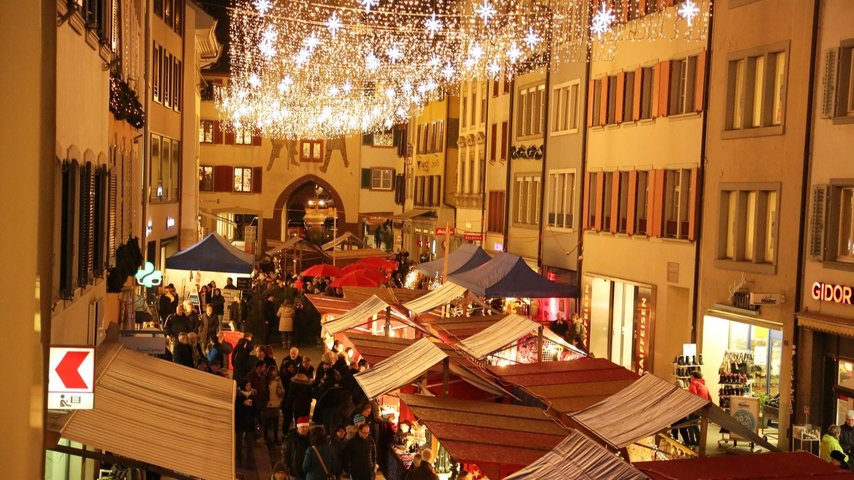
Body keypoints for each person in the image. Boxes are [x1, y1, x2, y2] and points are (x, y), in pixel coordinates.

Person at [235, 379, 258, 469]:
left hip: (250, 422)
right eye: (247, 385)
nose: (249, 387)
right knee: (239, 441)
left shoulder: (253, 395)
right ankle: (239, 458)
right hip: (240, 421)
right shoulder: (238, 395)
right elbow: (236, 409)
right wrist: (242, 404)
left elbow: (256, 408)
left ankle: (250, 461)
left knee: (250, 442)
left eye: (249, 385)